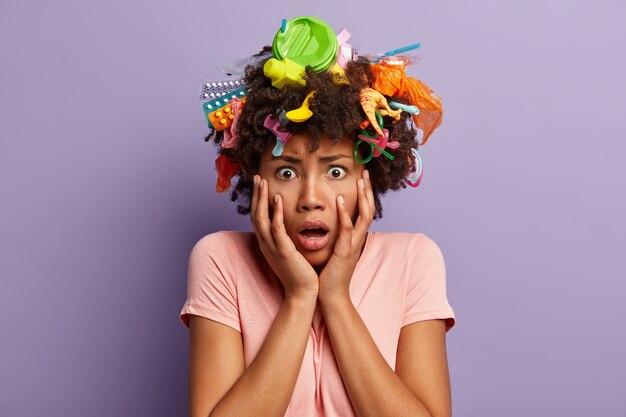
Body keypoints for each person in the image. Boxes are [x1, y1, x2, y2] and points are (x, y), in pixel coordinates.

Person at [179, 16, 456, 417]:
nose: (311, 198)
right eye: (286, 172)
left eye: (336, 170)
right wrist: (299, 297)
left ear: (370, 175)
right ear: (257, 179)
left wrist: (336, 298)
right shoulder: (220, 259)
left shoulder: (413, 260)